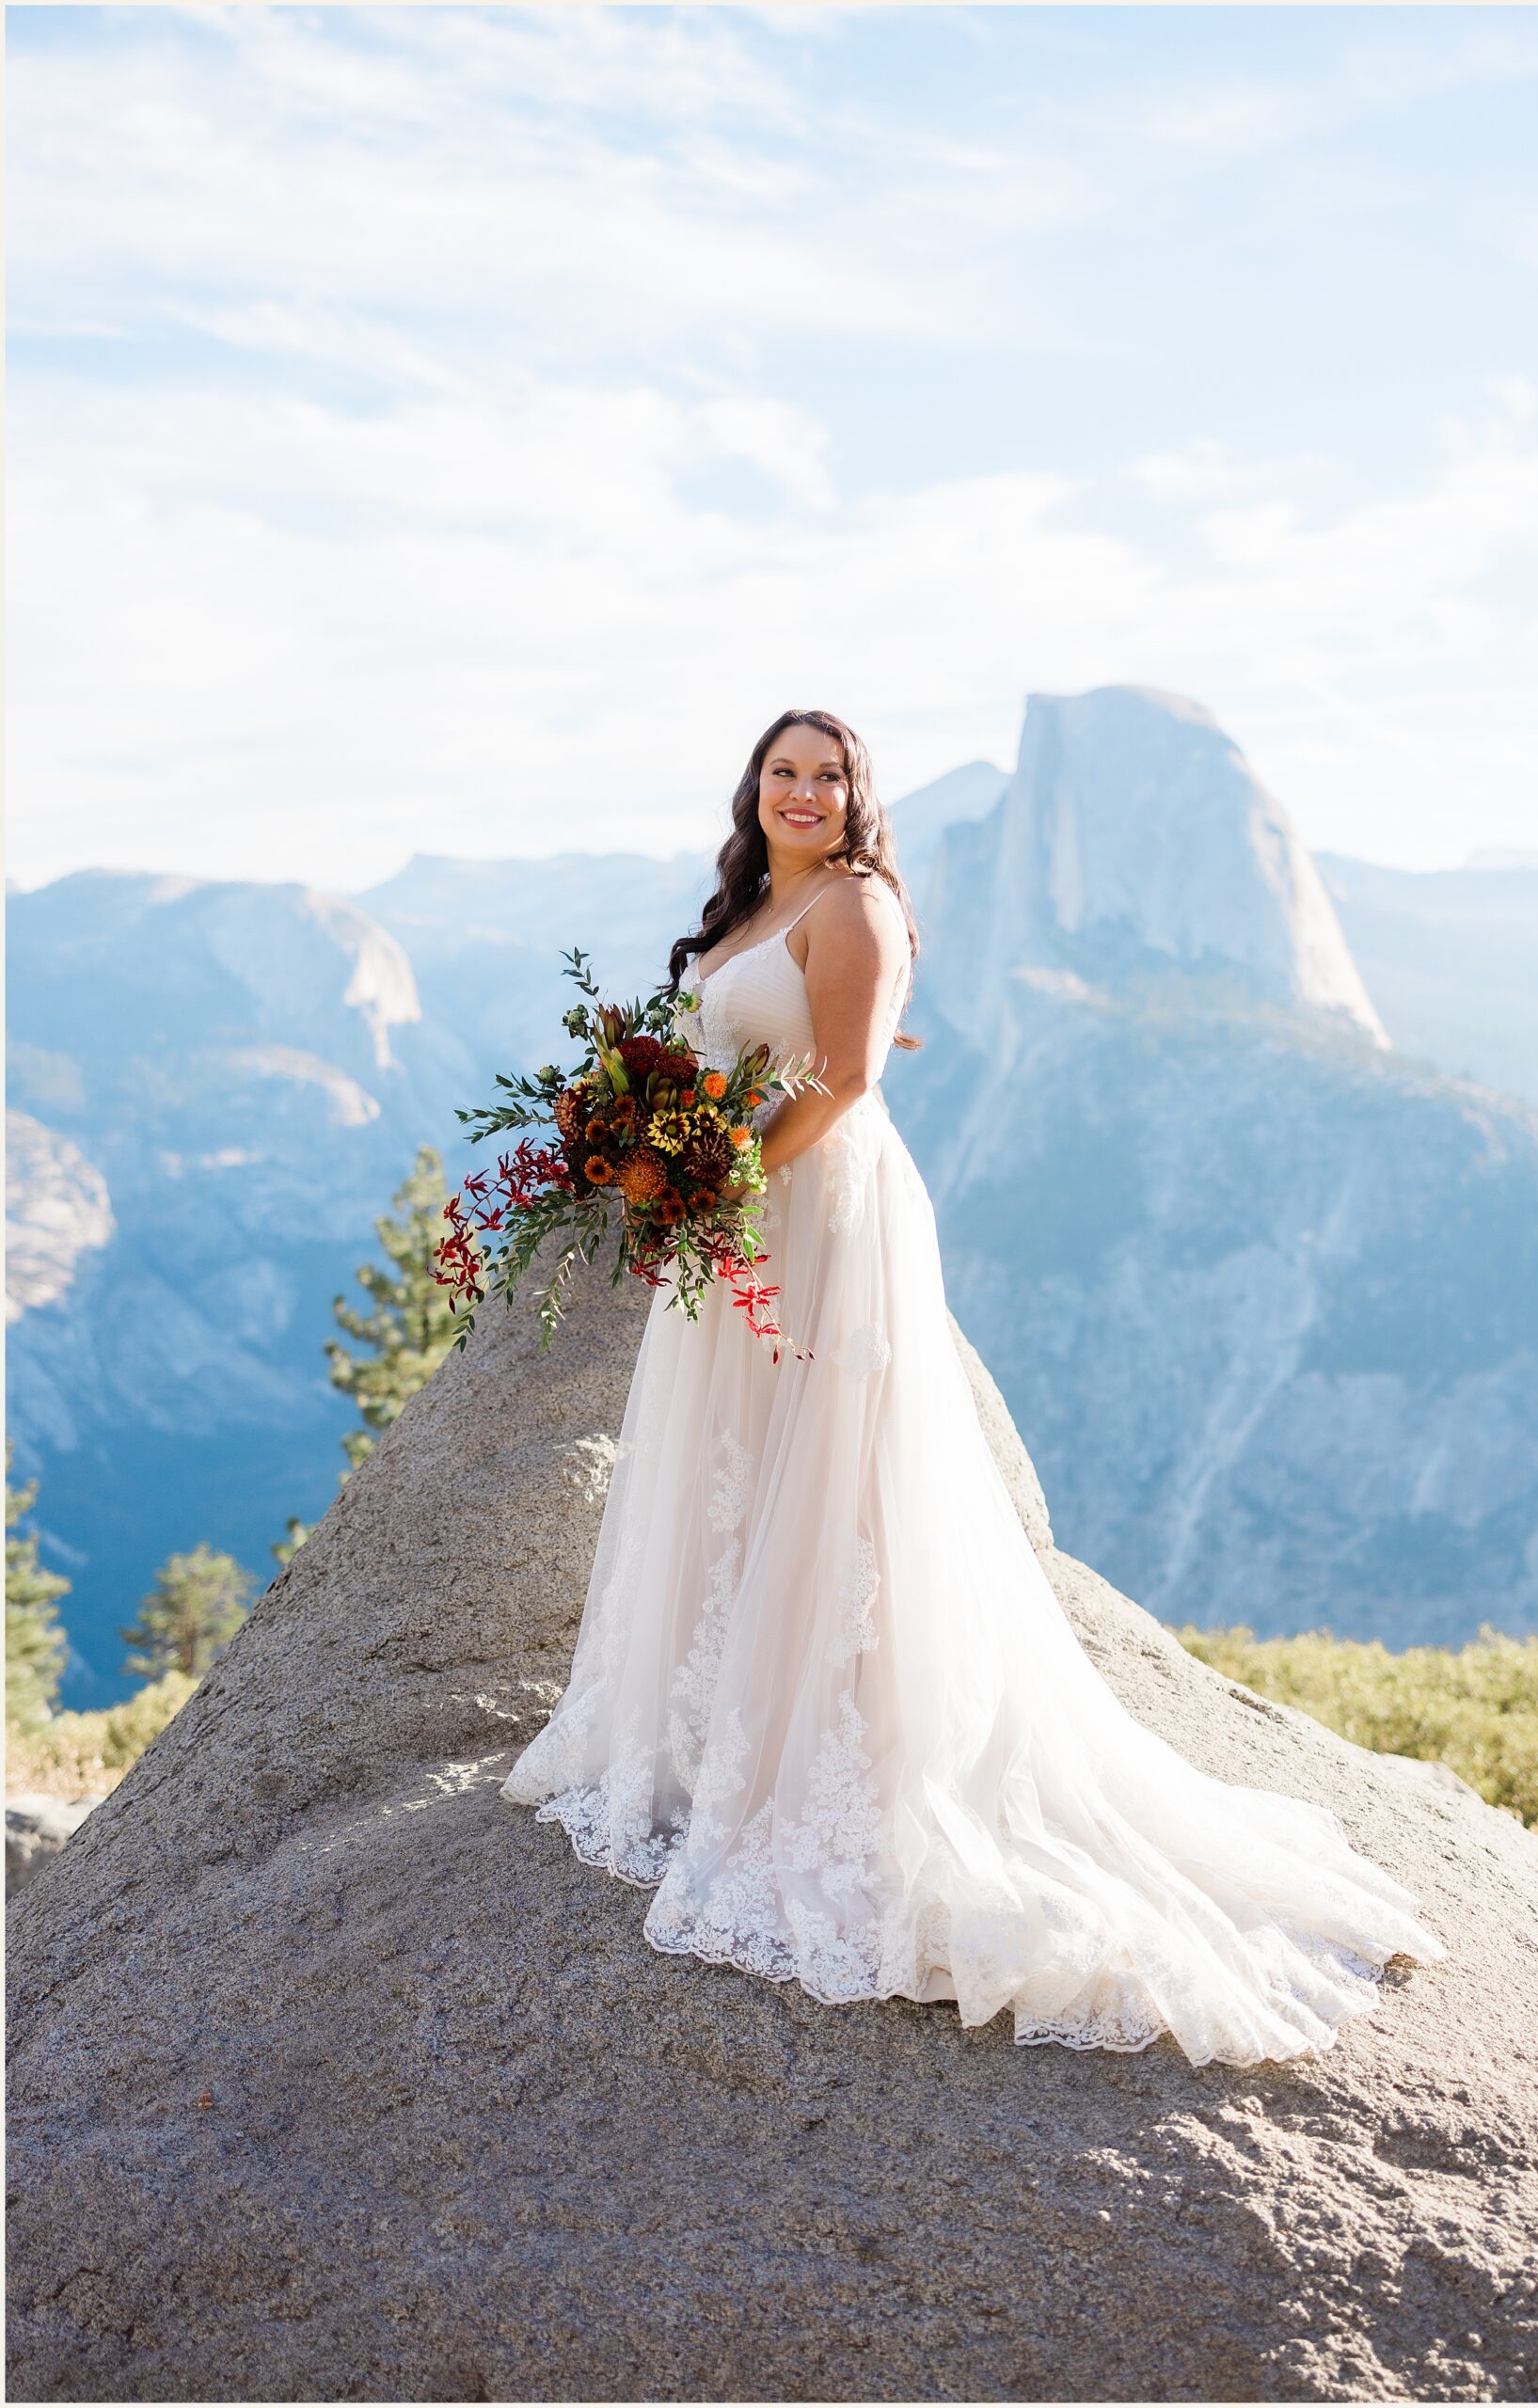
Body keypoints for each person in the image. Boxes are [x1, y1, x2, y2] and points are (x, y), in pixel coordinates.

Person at [500, 707, 1449, 2065]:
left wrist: (719, 1179)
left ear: (857, 798)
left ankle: (845, 1755)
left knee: (831, 1470)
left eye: (830, 776)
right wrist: (651, 1144)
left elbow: (840, 1081)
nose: (806, 793)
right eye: (785, 773)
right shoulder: (746, 911)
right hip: (743, 1213)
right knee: (742, 1460)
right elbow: (746, 1053)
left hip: (815, 1208)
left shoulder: (860, 903)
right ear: (753, 791)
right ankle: (729, 1727)